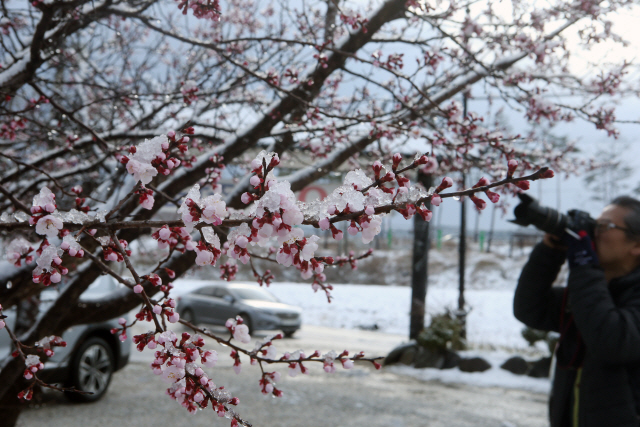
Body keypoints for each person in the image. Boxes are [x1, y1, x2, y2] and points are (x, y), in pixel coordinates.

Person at [514, 196, 640, 427]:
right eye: (595, 224)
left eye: (605, 226)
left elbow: (610, 340)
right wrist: (550, 252)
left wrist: (584, 263)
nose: (594, 233)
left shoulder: (606, 294)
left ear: (637, 245)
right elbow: (529, 308)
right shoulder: (593, 293)